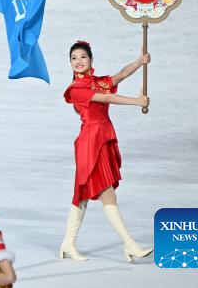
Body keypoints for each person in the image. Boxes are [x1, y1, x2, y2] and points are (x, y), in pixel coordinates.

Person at [58, 40, 153, 263]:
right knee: (106, 192)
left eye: (83, 57)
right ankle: (130, 245)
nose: (78, 61)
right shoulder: (76, 89)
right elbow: (108, 98)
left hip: (101, 139)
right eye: (74, 58)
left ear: (91, 60)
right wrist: (137, 101)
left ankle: (68, 243)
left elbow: (121, 75)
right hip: (90, 142)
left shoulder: (98, 82)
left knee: (83, 195)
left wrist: (139, 61)